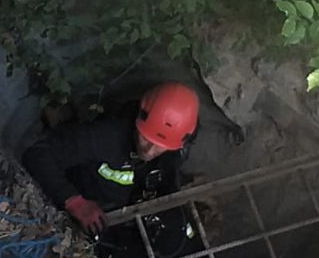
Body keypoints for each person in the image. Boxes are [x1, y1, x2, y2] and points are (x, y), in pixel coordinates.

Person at [21, 82, 201, 234]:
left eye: (161, 146)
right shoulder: (106, 136)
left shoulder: (177, 144)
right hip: (88, 211)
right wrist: (73, 200)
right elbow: (37, 155)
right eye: (146, 138)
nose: (150, 150)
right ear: (139, 117)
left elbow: (165, 173)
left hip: (129, 211)